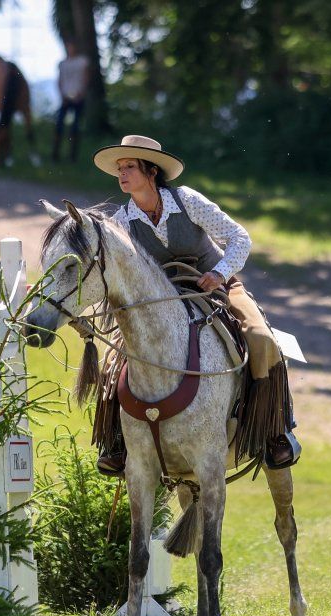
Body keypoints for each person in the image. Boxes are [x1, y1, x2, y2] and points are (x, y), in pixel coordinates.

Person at [92, 134, 300, 476]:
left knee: (262, 339)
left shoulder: (187, 200)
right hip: (161, 302)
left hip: (216, 286)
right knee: (113, 357)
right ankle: (115, 442)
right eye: (120, 168)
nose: (122, 174)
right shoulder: (121, 221)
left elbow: (239, 238)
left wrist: (218, 273)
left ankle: (275, 432)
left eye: (129, 166)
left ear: (151, 171)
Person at [52, 41, 90, 162]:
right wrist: (62, 95)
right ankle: (55, 154)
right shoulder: (63, 64)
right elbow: (59, 80)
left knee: (75, 127)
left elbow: (85, 78)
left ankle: (72, 156)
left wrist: (82, 93)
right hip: (66, 98)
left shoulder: (82, 61)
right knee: (59, 125)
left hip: (78, 98)